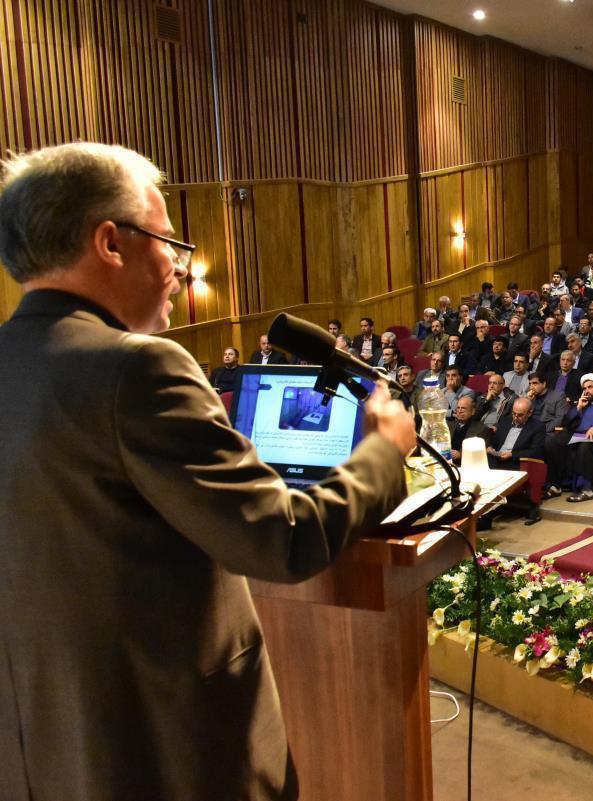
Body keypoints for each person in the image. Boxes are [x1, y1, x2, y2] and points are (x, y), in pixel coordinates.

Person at [0, 142, 416, 801]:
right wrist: (385, 451)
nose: (177, 266)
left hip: (43, 756)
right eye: (168, 241)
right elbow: (282, 538)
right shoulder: (137, 368)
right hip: (167, 754)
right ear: (110, 242)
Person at [543, 373, 593, 502]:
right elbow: (567, 423)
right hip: (579, 436)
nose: (587, 391)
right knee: (553, 443)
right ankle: (555, 485)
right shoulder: (583, 404)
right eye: (585, 388)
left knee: (584, 446)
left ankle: (587, 489)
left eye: (590, 387)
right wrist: (578, 408)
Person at [486, 397, 545, 471]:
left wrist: (512, 455)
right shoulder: (504, 420)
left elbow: (536, 451)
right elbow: (495, 442)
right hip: (495, 459)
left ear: (529, 413)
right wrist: (490, 448)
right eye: (514, 413)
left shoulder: (537, 427)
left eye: (520, 415)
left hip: (515, 462)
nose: (515, 417)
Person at [449, 394, 488, 463]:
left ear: (472, 411)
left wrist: (460, 454)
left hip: (467, 463)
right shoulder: (449, 425)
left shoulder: (481, 429)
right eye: (458, 408)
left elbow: (480, 451)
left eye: (463, 408)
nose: (460, 411)